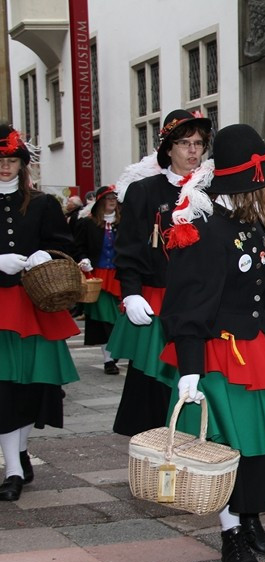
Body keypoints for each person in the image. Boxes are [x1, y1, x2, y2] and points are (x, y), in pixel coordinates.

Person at [160, 123, 265, 562]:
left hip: (259, 351)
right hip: (219, 355)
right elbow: (187, 305)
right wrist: (190, 369)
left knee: (261, 446)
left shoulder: (255, 226)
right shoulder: (203, 230)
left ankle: (249, 516)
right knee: (226, 449)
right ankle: (231, 535)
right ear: (247, 184)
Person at [108, 109, 212, 436]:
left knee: (202, 380)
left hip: (204, 300)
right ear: (169, 148)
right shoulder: (146, 191)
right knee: (155, 381)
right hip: (159, 297)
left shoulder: (214, 189)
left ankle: (197, 453)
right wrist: (131, 292)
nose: (193, 150)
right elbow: (128, 249)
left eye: (198, 143)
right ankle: (154, 455)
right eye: (184, 143)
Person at [0, 123, 79, 502]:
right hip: (1, 310)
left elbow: (62, 242)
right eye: (0, 160)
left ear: (22, 163)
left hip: (34, 307)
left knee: (31, 387)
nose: (5, 167)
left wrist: (43, 253)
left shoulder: (44, 203)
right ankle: (12, 467)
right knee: (3, 390)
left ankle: (19, 452)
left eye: (12, 160)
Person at [74, 185, 121, 374]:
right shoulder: (88, 223)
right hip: (97, 276)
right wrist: (83, 259)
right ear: (100, 202)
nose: (112, 201)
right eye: (108, 198)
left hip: (119, 277)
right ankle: (109, 359)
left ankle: (116, 349)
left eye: (114, 198)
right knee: (103, 319)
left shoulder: (123, 223)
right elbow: (78, 246)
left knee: (119, 318)